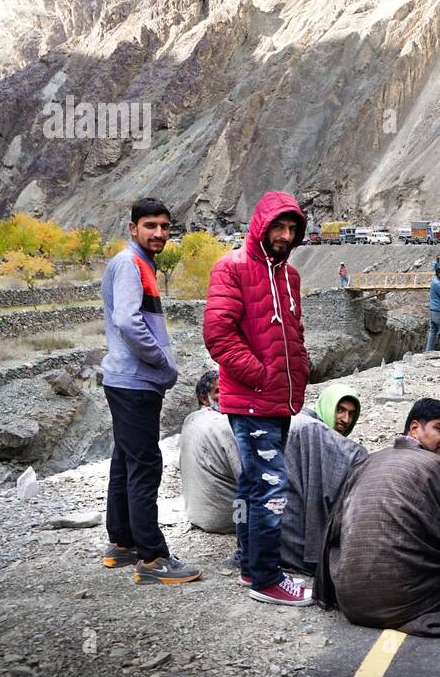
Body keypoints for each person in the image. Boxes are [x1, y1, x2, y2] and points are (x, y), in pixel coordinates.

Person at [204, 190, 312, 606]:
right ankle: (268, 578)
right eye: (278, 227)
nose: (285, 235)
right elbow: (218, 334)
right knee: (270, 486)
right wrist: (261, 375)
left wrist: (298, 369)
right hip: (251, 399)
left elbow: (292, 332)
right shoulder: (231, 268)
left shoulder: (290, 276)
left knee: (251, 485)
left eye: (292, 228)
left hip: (279, 398)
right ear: (261, 226)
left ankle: (249, 564)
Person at [316, 399, 440, 635]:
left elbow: (333, 531)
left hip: (350, 602)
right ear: (415, 428)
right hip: (401, 603)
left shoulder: (368, 461)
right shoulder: (436, 465)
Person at [101, 198, 200, 585]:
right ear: (133, 228)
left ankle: (122, 543)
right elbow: (127, 320)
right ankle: (153, 557)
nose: (159, 233)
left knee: (125, 461)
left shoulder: (137, 262)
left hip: (124, 380)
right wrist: (162, 361)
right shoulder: (130, 263)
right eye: (150, 226)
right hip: (135, 381)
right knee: (145, 466)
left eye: (164, 226)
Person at [280, 409, 367, 576]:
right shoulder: (311, 432)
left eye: (351, 414)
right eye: (340, 411)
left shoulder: (334, 449)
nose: (345, 419)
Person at [178, 371, 245, 533]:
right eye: (219, 391)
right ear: (203, 398)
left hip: (197, 513)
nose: (227, 394)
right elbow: (247, 477)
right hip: (228, 517)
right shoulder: (223, 425)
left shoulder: (190, 420)